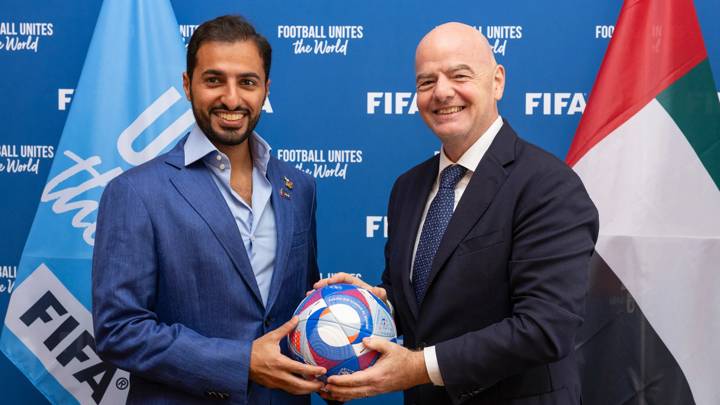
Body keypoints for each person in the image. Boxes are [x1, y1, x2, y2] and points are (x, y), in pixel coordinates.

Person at [315, 22, 599, 404]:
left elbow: (545, 328)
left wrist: (418, 368)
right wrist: (373, 305)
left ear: (497, 81)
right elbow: (424, 309)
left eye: (459, 75)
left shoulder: (548, 185)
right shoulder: (408, 188)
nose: (442, 92)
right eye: (426, 81)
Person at [92, 15, 327, 404]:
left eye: (247, 82)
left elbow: (298, 308)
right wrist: (242, 361)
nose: (232, 99)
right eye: (214, 80)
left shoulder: (299, 187)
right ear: (188, 85)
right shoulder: (134, 192)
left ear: (266, 89)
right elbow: (119, 331)